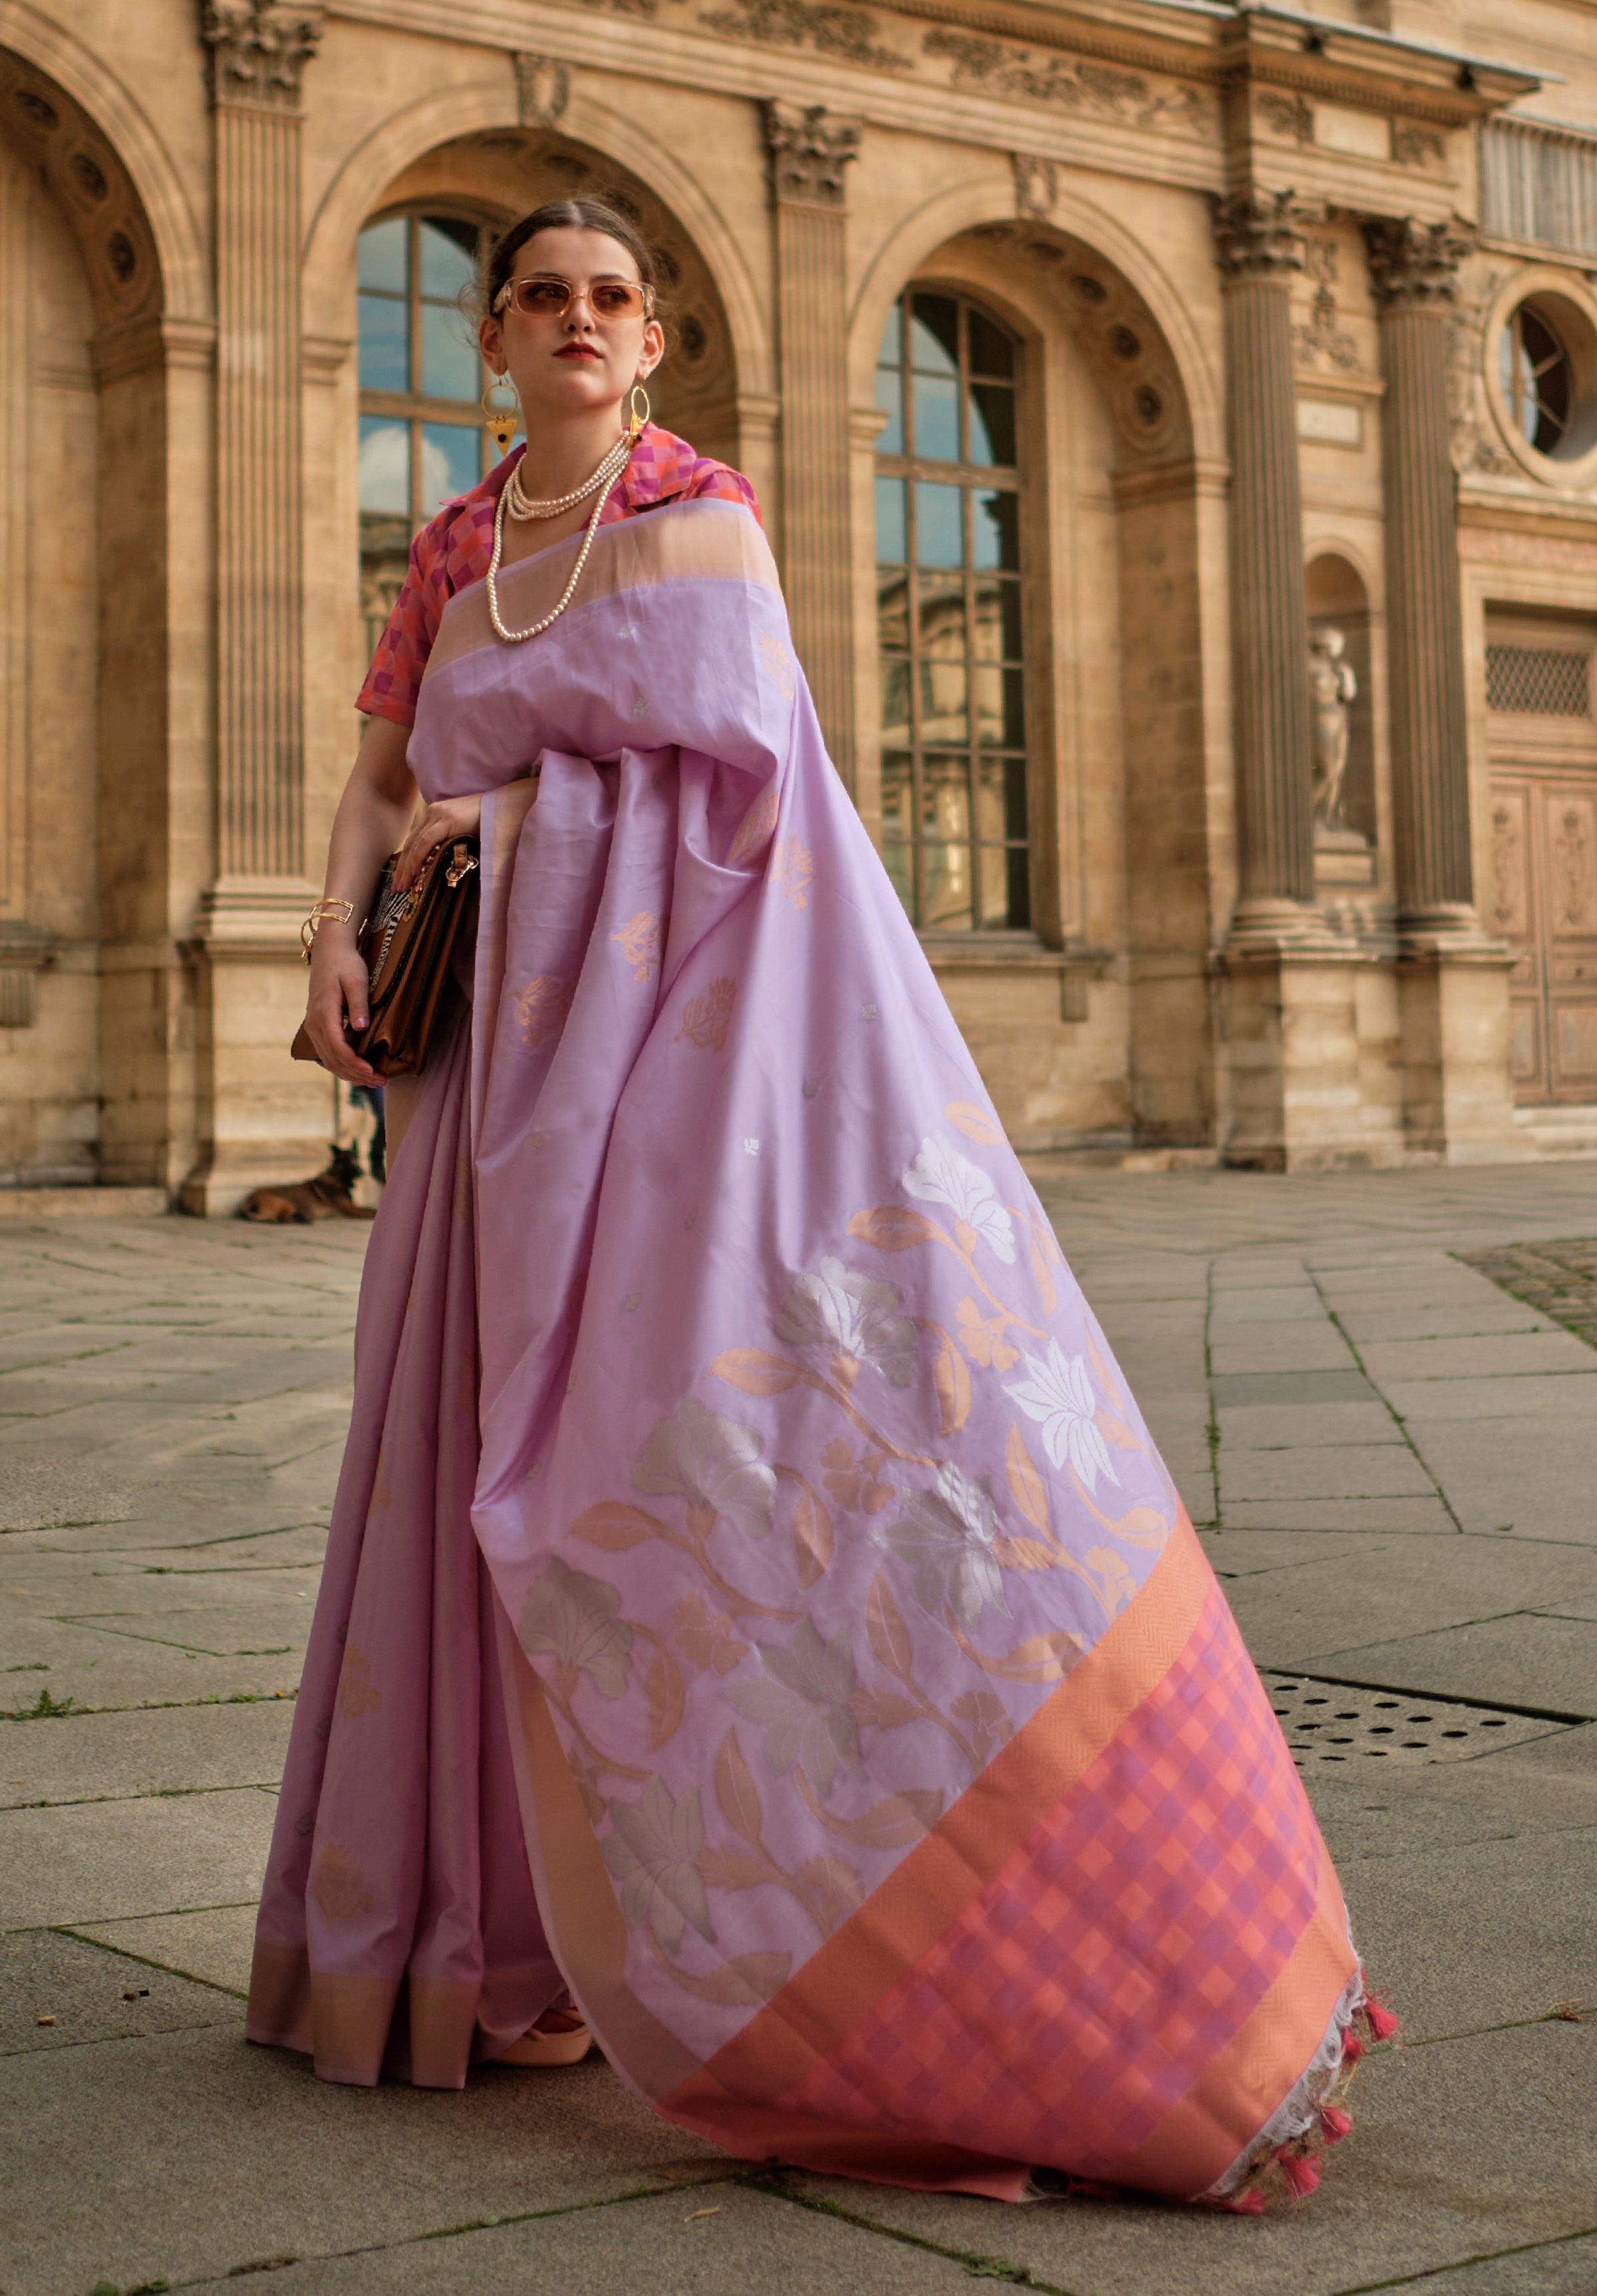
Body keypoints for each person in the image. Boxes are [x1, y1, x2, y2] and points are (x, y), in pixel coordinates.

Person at [249, 197, 1391, 2205]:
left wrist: (513, 824)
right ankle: (460, 1945)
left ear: (652, 339)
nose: (580, 323)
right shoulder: (449, 541)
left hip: (667, 1060)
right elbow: (379, 772)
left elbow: (759, 797)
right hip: (481, 1069)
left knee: (686, 1466)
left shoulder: (704, 514)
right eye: (544, 299)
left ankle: (1014, 1966)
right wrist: (332, 935)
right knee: (437, 1459)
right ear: (494, 336)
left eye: (613, 299)